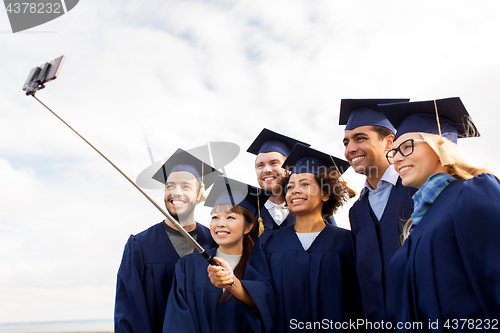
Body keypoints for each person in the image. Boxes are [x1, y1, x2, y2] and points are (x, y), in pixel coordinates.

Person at [208, 144, 362, 333]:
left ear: (324, 193)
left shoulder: (347, 242)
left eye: (305, 184)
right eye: (290, 187)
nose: (295, 191)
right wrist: (232, 282)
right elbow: (260, 296)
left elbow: (361, 298)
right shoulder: (268, 243)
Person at [379, 97, 500, 332]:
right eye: (393, 153)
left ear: (439, 146)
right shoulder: (416, 223)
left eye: (406, 147)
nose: (397, 159)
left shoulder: (474, 191)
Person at [114, 148, 222, 333]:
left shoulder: (214, 244)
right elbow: (129, 313)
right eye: (170, 186)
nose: (176, 192)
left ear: (199, 195)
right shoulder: (140, 246)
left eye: (186, 186)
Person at [340, 99, 416, 330]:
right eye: (346, 142)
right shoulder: (357, 211)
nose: (350, 149)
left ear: (389, 142)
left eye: (360, 138)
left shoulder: (417, 190)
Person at [163, 176, 271, 333]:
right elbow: (178, 321)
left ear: (248, 227)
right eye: (215, 217)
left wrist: (233, 283)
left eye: (230, 217)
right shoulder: (189, 266)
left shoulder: (261, 265)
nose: (220, 223)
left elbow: (268, 313)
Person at [247, 128, 335, 240]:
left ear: (288, 169)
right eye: (260, 165)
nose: (266, 170)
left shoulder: (317, 210)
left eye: (274, 163)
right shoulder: (249, 212)